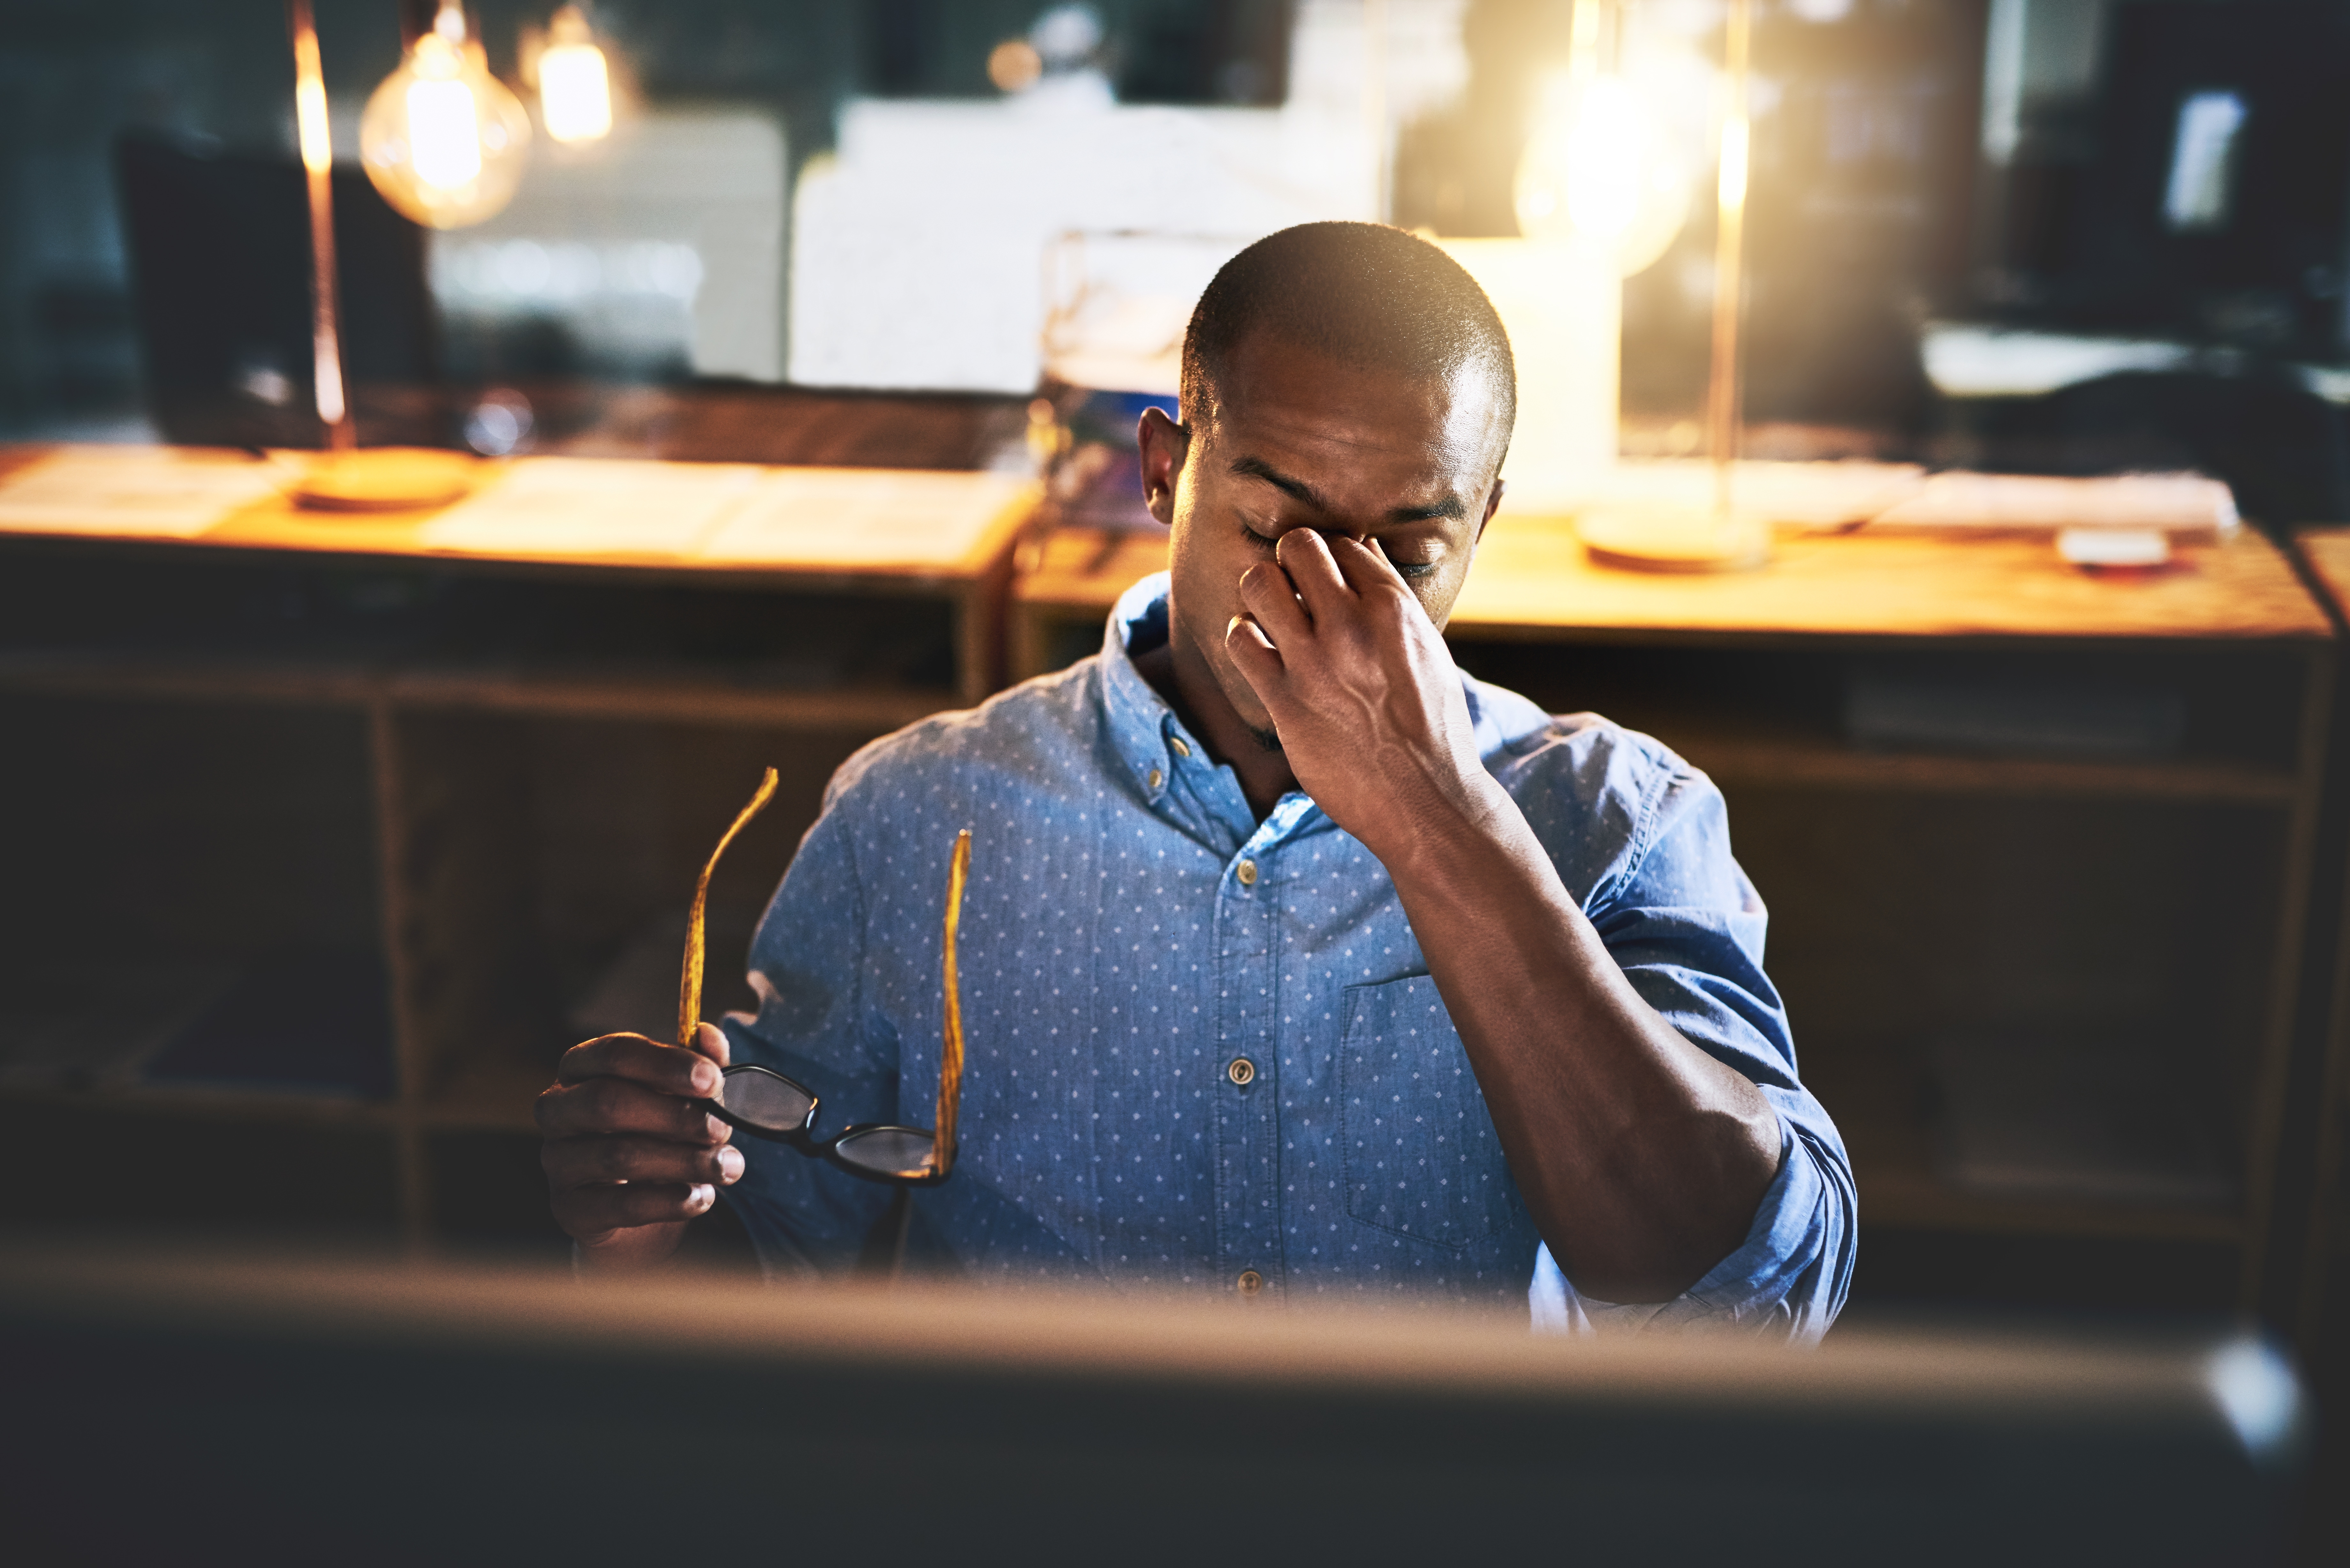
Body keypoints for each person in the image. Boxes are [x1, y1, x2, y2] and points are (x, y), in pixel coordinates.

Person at [535, 222, 1854, 1336]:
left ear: (1484, 527)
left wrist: (1430, 816)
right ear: (1165, 473)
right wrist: (652, 1214)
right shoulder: (917, 815)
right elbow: (767, 1265)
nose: (1329, 598)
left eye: (1409, 546)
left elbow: (1756, 1292)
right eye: (1274, 525)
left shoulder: (1620, 818)